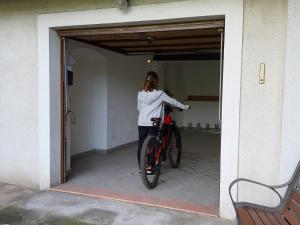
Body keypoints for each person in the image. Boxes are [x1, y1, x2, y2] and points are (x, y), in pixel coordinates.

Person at [137, 71, 190, 169]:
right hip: (153, 122)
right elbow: (173, 101)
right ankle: (150, 165)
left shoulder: (140, 94)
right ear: (156, 81)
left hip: (142, 122)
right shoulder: (160, 94)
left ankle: (141, 167)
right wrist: (185, 107)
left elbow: (139, 108)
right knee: (153, 143)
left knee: (141, 143)